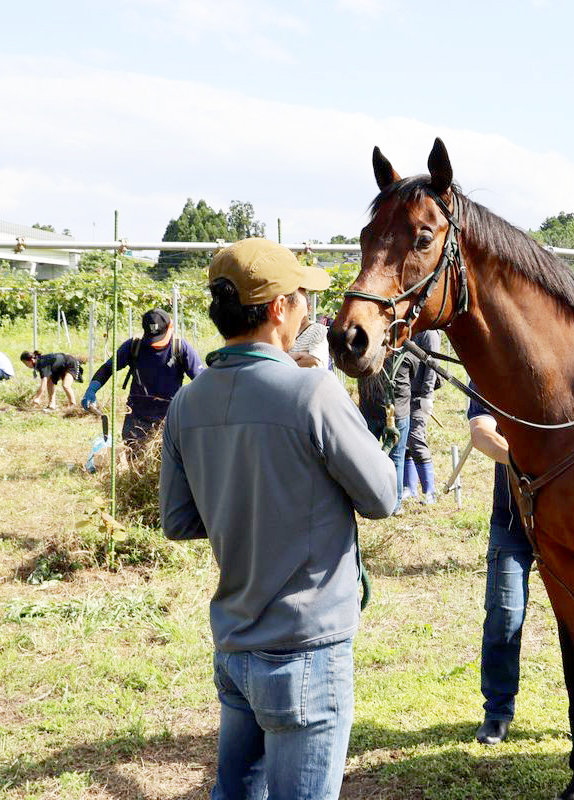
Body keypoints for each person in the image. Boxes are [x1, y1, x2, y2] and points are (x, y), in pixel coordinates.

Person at [159, 237, 396, 800]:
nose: (310, 310)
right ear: (276, 310)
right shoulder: (312, 391)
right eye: (302, 297)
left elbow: (178, 520)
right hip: (306, 650)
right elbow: (383, 495)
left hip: (236, 645)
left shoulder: (186, 404)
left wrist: (242, 503)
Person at [467, 386, 574, 751]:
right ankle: (497, 711)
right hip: (511, 523)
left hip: (568, 525)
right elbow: (480, 431)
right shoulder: (491, 368)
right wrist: (520, 456)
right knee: (503, 618)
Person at [80, 309, 204, 448]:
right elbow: (108, 368)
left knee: (167, 461)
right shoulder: (134, 346)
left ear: (171, 327)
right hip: (137, 416)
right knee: (135, 457)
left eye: (160, 338)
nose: (155, 344)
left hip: (169, 417)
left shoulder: (180, 348)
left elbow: (201, 380)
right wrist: (92, 389)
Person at [357, 350, 413, 510]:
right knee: (396, 459)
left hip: (370, 410)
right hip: (397, 412)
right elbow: (414, 374)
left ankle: (367, 499)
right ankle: (395, 504)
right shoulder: (406, 353)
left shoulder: (366, 352)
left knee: (367, 458)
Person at [403, 329, 441, 504]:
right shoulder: (408, 329)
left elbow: (432, 366)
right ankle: (409, 488)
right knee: (404, 441)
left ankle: (430, 491)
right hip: (403, 393)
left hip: (419, 395)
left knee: (416, 438)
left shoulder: (430, 334)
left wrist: (427, 394)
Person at [288, 292, 330, 368]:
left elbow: (314, 361)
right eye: (292, 309)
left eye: (299, 309)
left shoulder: (318, 329)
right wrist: (302, 355)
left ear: (309, 309)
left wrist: (287, 359)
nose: (296, 313)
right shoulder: (287, 332)